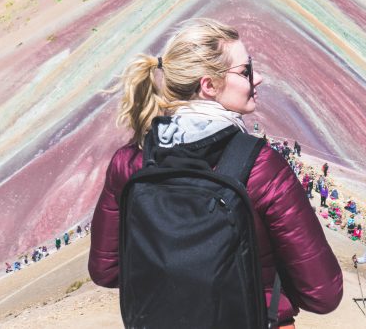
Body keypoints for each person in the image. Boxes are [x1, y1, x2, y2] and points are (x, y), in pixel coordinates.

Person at [88, 18, 343, 327]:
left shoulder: (129, 163)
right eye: (246, 71)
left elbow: (107, 270)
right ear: (208, 85)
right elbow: (323, 293)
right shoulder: (262, 167)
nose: (258, 78)